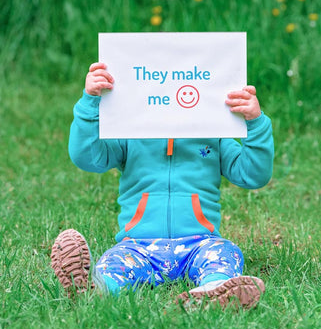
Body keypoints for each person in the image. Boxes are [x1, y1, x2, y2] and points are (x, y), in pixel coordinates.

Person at [51, 61, 274, 309]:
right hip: (137, 246)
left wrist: (256, 123)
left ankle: (215, 289)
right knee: (115, 263)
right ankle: (95, 289)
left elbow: (253, 175)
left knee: (225, 253)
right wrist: (89, 102)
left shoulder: (214, 134)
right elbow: (88, 157)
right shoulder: (130, 134)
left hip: (200, 243)